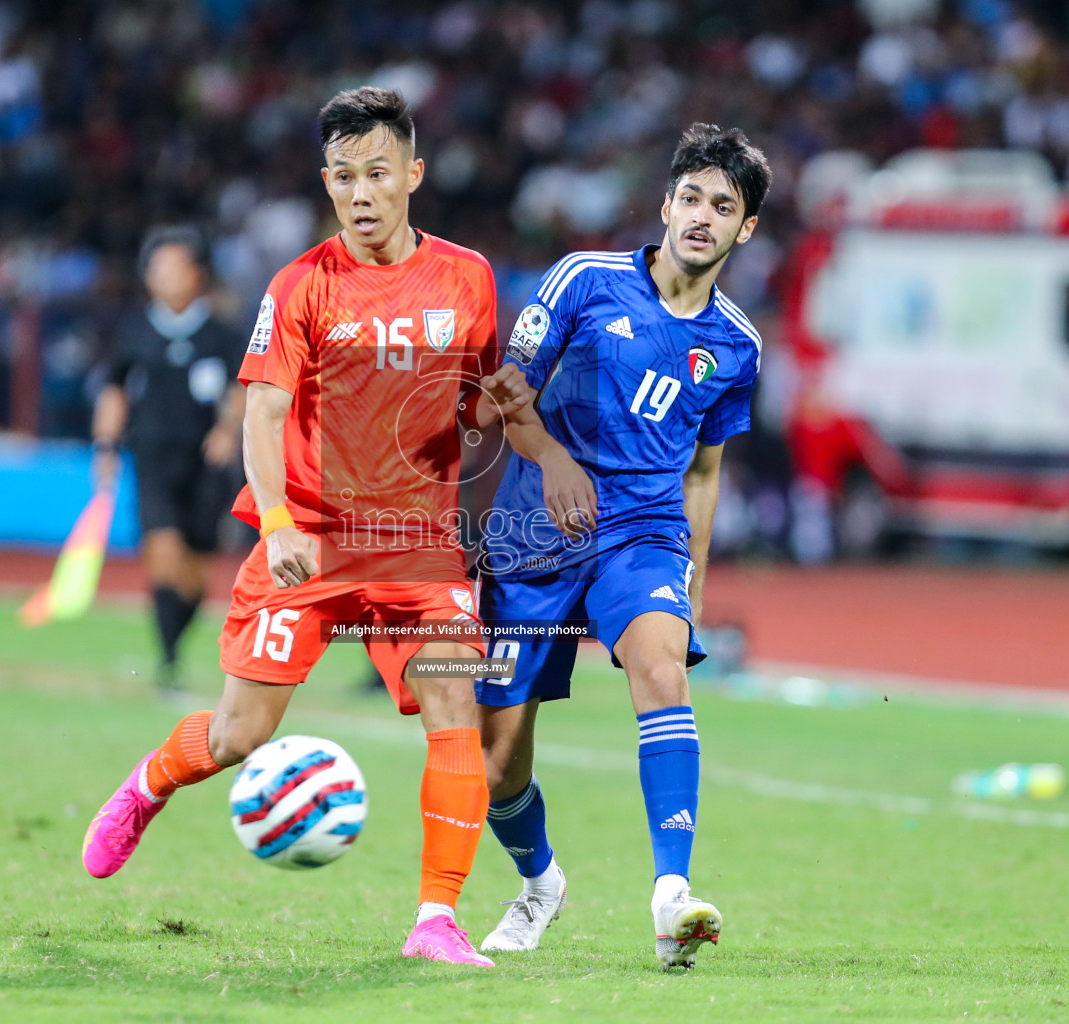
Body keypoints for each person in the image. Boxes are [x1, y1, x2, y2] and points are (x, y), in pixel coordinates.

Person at [80, 87, 537, 967]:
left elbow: (478, 397)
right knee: (237, 736)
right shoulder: (298, 287)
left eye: (376, 173)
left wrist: (499, 421)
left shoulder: (467, 276)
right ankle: (148, 786)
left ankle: (435, 921)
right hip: (312, 542)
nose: (360, 193)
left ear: (414, 173)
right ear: (325, 184)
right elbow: (262, 414)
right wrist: (280, 522)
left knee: (458, 708)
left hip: (417, 549)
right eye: (341, 176)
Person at [472, 124, 771, 969]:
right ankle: (540, 882)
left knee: (661, 667)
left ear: (745, 229)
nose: (703, 217)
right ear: (666, 203)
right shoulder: (584, 278)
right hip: (536, 534)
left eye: (724, 206)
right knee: (496, 763)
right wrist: (556, 458)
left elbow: (705, 473)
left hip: (641, 536)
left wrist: (693, 589)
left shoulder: (738, 346)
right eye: (691, 198)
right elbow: (503, 386)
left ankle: (672, 895)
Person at [92, 226, 247, 692]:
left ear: (196, 274)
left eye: (172, 267)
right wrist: (105, 447)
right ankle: (168, 660)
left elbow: (241, 389)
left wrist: (227, 430)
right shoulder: (135, 331)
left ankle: (173, 647)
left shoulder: (221, 333)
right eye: (155, 269)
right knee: (162, 553)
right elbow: (114, 390)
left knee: (196, 571)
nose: (161, 277)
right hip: (153, 457)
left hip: (207, 463)